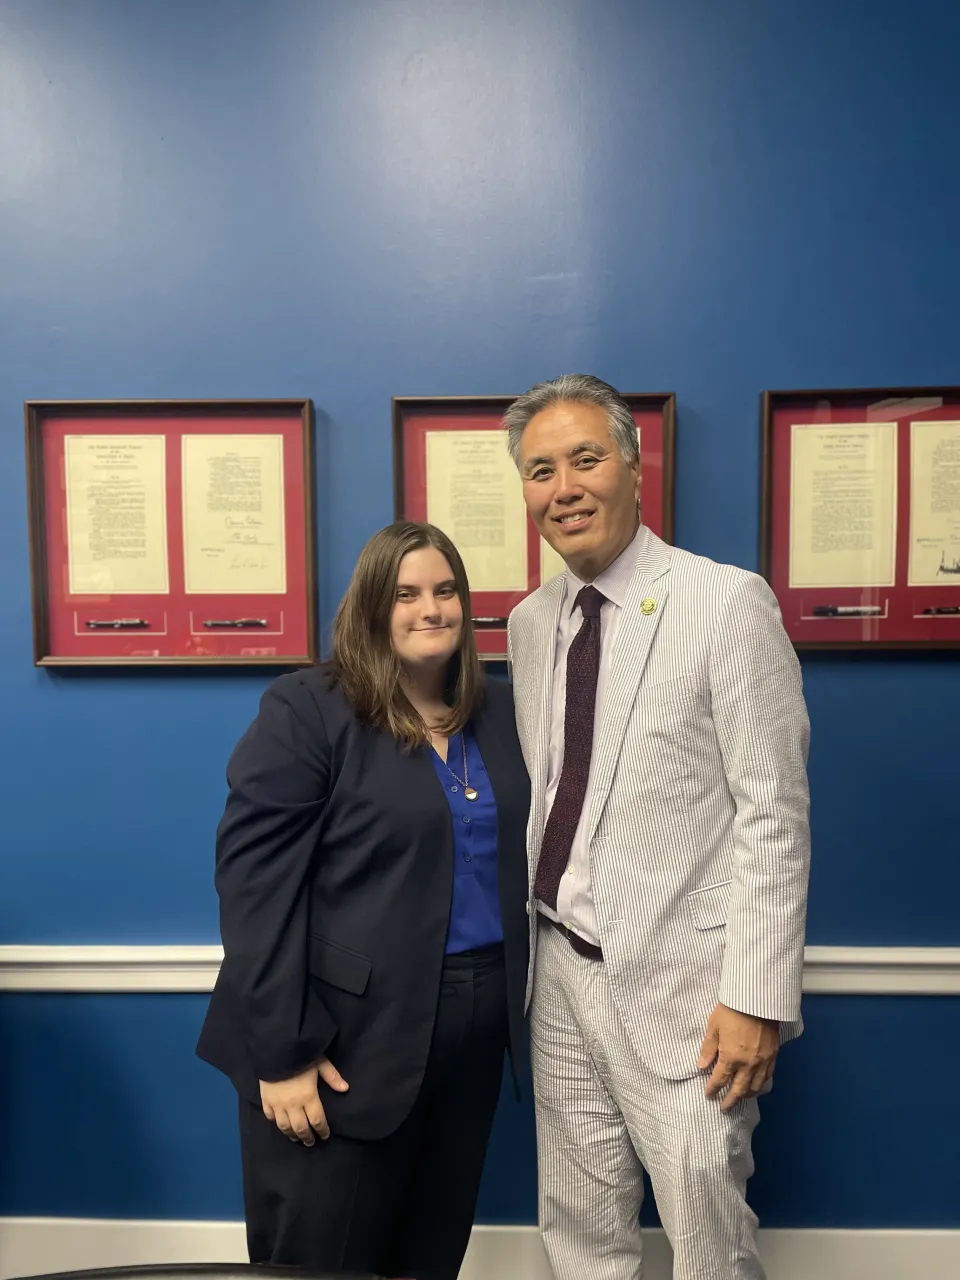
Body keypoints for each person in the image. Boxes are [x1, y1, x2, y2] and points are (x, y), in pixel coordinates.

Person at [504, 375, 811, 1280]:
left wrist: (757, 995)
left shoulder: (723, 602)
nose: (564, 488)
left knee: (708, 1246)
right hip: (557, 975)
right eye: (540, 471)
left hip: (691, 996)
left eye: (586, 459)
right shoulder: (528, 626)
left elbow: (774, 814)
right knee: (581, 1239)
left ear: (636, 467)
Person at [197, 521, 530, 1280]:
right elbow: (254, 890)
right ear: (371, 607)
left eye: (446, 591)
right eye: (406, 593)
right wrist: (283, 1054)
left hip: (473, 1039)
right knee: (323, 1264)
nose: (430, 609)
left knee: (429, 1257)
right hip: (335, 1045)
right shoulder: (308, 710)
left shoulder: (502, 712)